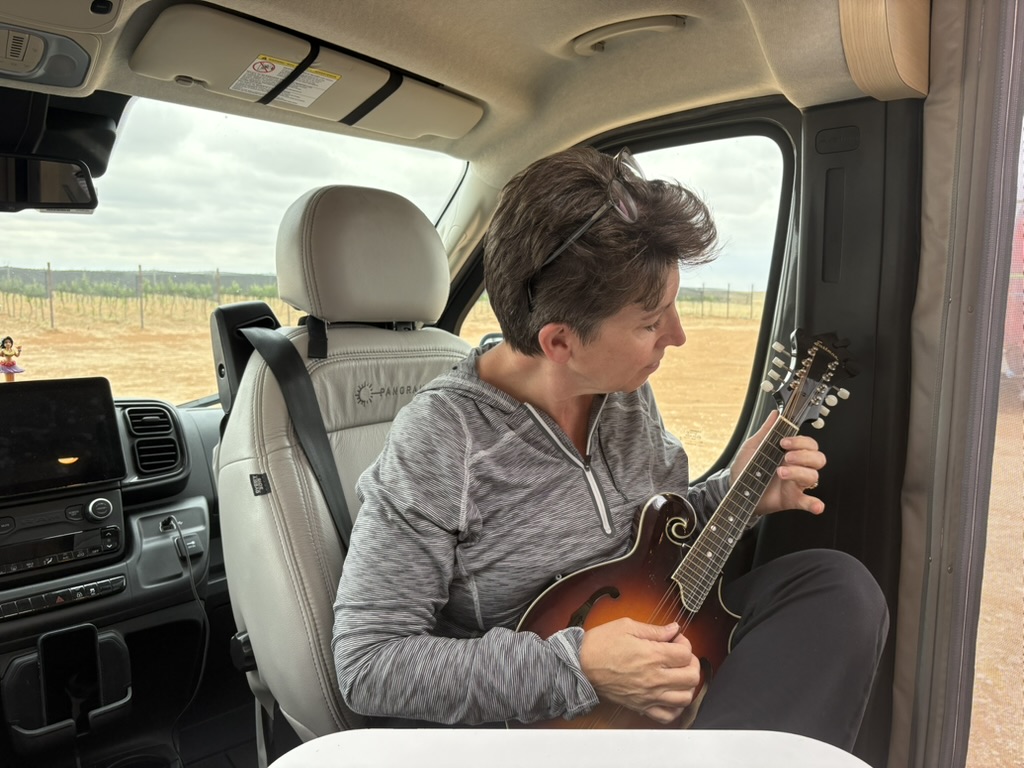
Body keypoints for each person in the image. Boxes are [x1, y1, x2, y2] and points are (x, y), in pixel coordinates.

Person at [332, 146, 888, 749]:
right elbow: (368, 665)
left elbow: (660, 531)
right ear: (560, 342)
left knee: (837, 588)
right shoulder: (441, 441)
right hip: (542, 728)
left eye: (673, 306)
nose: (678, 335)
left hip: (662, 645)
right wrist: (578, 666)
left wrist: (740, 492)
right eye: (651, 322)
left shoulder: (622, 391)